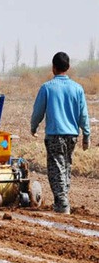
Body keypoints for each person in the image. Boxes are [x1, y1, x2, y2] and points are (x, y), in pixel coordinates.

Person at [31, 51, 90, 214]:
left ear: (53, 68)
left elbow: (38, 111)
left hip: (55, 135)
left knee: (56, 169)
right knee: (66, 166)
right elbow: (83, 114)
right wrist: (86, 135)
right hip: (72, 135)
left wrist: (33, 127)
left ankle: (62, 203)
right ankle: (61, 200)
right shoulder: (77, 88)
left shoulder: (47, 88)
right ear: (68, 67)